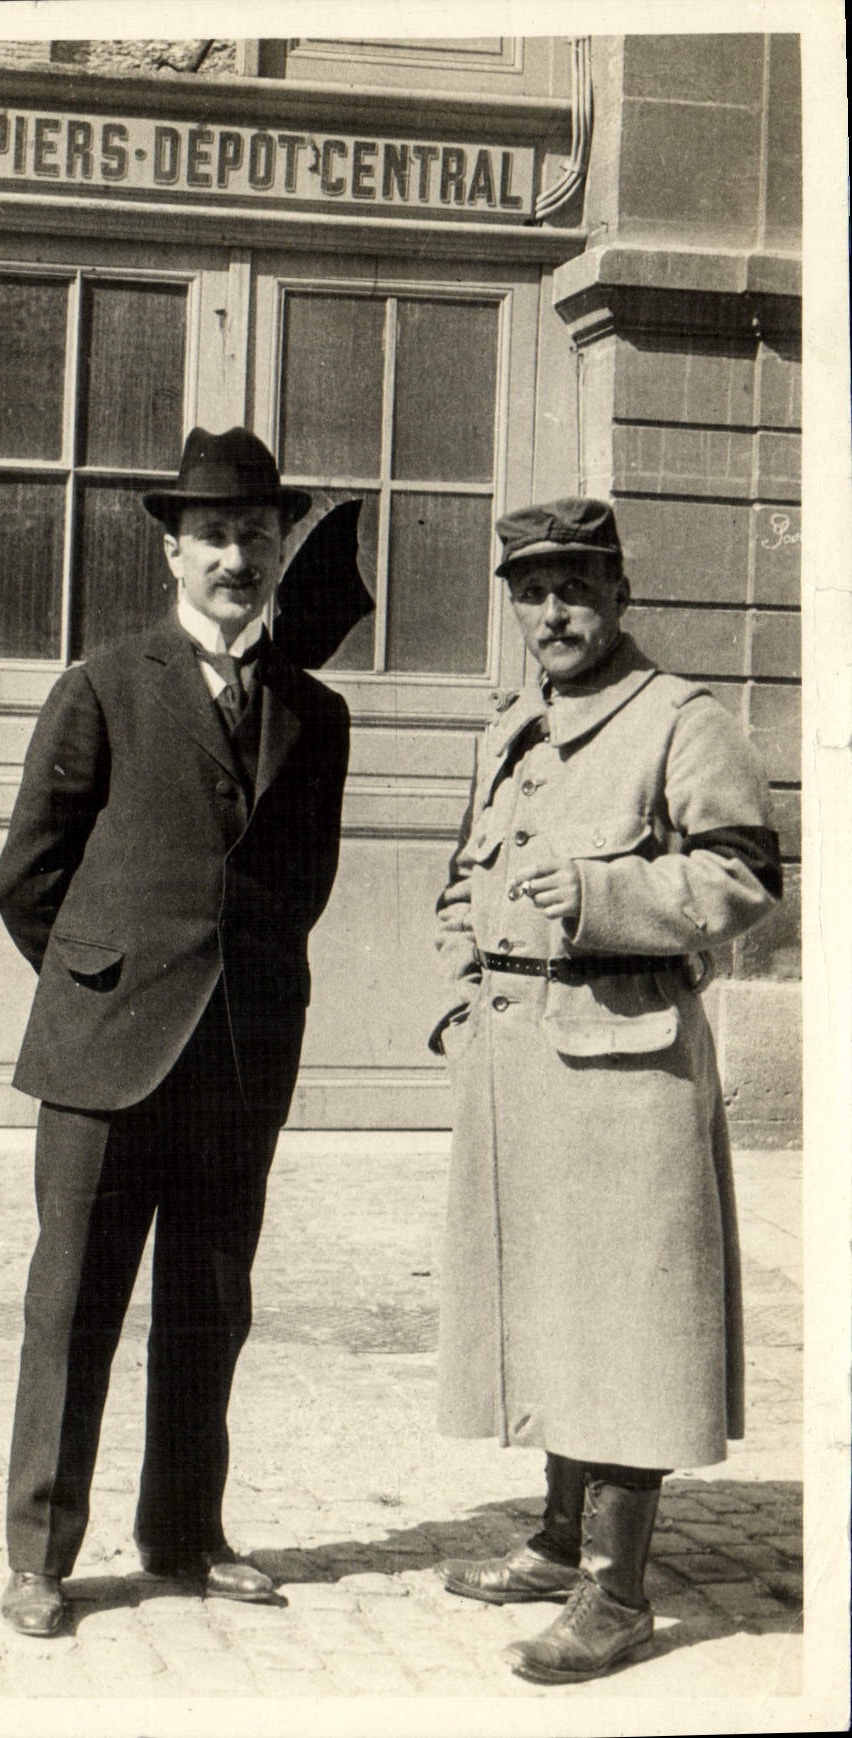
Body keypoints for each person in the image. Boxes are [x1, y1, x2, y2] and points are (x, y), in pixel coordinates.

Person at [0, 426, 350, 1637]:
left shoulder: (315, 709)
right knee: (75, 1305)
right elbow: (27, 879)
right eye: (213, 536)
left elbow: (302, 883)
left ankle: (186, 1534)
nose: (236, 556)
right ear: (171, 551)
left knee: (210, 1301)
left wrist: (232, 994)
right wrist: (106, 984)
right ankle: (40, 1558)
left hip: (238, 1060)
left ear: (279, 545)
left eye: (258, 533)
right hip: (105, 1057)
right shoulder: (101, 682)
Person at [429, 497, 781, 1684]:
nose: (553, 611)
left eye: (576, 586)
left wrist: (594, 896)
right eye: (531, 591)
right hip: (517, 1060)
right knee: (542, 1305)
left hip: (627, 1063)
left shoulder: (682, 720)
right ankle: (554, 1539)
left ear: (621, 593)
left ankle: (618, 1595)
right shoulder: (508, 728)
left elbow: (741, 877)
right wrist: (460, 964)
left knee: (626, 1324)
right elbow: (460, 872)